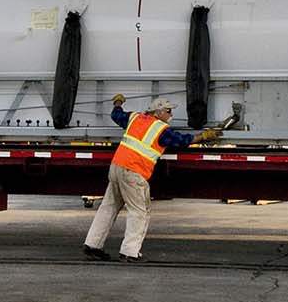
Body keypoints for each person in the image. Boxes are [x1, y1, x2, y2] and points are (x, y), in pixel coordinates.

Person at [83, 95, 221, 263]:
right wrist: (205, 136)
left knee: (109, 207)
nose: (171, 115)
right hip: (134, 172)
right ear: (159, 112)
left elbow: (116, 115)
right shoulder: (160, 129)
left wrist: (118, 102)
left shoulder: (134, 118)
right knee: (139, 211)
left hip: (117, 166)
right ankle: (130, 252)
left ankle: (92, 245)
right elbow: (182, 141)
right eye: (169, 111)